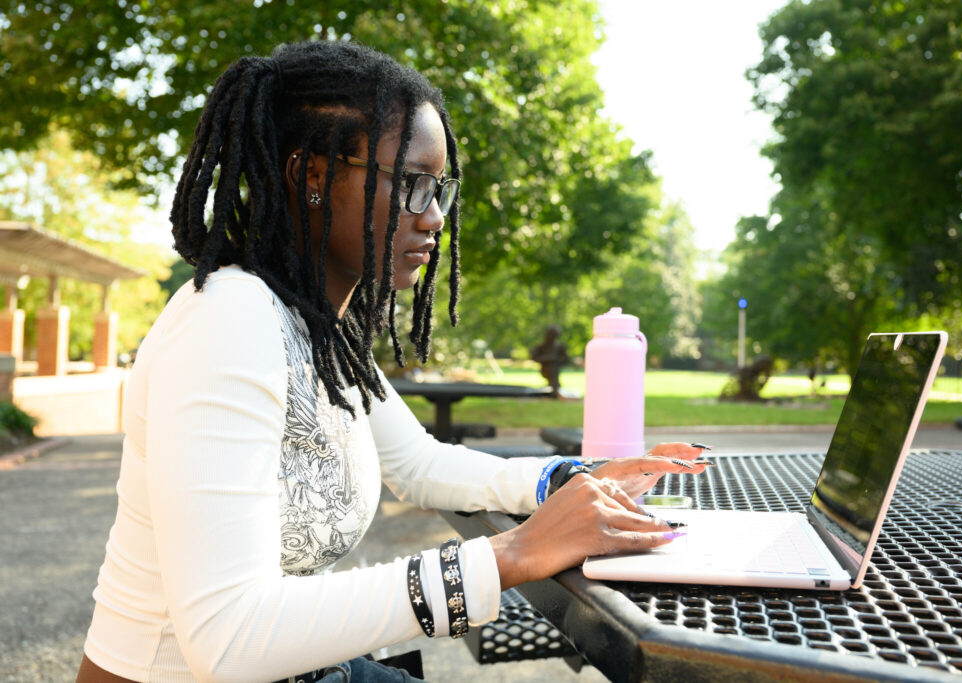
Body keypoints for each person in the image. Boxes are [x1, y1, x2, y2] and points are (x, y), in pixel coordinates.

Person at [76, 41, 706, 683]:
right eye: (410, 185)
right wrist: (515, 552)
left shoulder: (318, 326)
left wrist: (576, 482)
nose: (433, 217)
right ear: (311, 176)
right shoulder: (227, 325)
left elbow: (416, 462)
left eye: (440, 190)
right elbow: (231, 636)